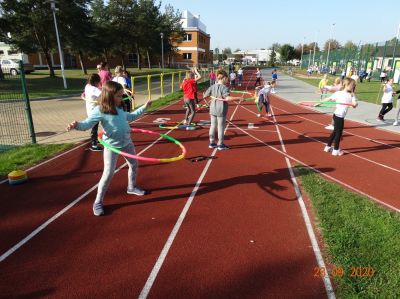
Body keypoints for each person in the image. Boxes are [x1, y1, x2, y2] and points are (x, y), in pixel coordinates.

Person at [66, 81, 153, 216]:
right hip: (112, 146)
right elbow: (86, 125)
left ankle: (131, 187)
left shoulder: (119, 109)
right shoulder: (100, 110)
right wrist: (76, 125)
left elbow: (131, 117)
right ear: (110, 96)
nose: (122, 98)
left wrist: (144, 107)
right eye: (119, 96)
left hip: (127, 143)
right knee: (108, 174)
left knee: (134, 165)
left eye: (122, 95)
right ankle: (98, 202)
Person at [203, 70, 242, 150]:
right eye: (227, 78)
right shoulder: (224, 88)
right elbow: (227, 98)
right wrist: (238, 98)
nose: (227, 80)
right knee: (220, 127)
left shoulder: (212, 86)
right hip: (221, 109)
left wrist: (210, 97)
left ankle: (212, 143)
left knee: (213, 125)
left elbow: (205, 95)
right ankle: (220, 144)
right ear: (224, 78)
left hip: (213, 108)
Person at [323, 77, 358, 156]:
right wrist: (318, 103)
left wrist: (355, 103)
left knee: (335, 131)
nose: (353, 86)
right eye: (352, 85)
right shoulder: (340, 93)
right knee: (338, 133)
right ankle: (336, 150)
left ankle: (328, 147)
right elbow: (329, 99)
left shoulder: (351, 95)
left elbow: (354, 105)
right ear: (346, 85)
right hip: (339, 116)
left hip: (336, 115)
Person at [82, 73, 102, 151]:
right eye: (99, 82)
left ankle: (95, 140)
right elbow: (103, 95)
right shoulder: (94, 89)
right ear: (96, 82)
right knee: (94, 127)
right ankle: (94, 144)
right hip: (94, 111)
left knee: (95, 126)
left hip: (90, 109)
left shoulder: (87, 86)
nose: (99, 84)